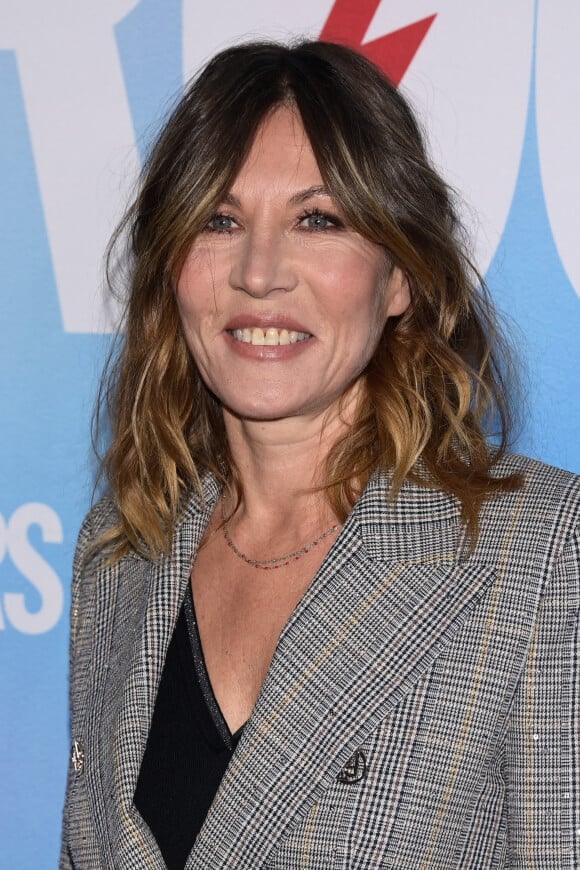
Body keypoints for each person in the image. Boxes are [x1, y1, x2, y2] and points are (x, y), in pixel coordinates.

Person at [60, 40, 580, 870]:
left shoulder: (542, 554)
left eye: (318, 220)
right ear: (172, 270)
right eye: (219, 221)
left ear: (400, 276)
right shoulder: (118, 555)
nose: (260, 274)